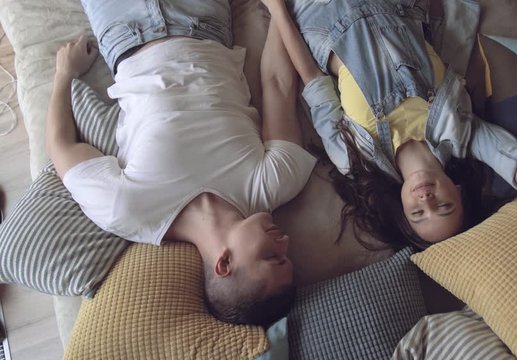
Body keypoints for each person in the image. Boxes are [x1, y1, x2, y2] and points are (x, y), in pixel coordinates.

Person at [260, 0, 517, 357]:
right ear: (456, 190)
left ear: (403, 209)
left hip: (319, 12)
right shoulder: (467, 134)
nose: (426, 200)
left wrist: (277, 7)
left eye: (419, 214)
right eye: (443, 206)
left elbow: (312, 79)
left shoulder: (357, 160)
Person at [46, 0, 317, 327]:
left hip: (125, 31)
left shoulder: (130, 210)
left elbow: (62, 148)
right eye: (285, 255)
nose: (285, 242)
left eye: (273, 256)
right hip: (204, 21)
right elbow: (278, 84)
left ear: (224, 264)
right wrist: (278, 10)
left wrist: (65, 74)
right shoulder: (275, 181)